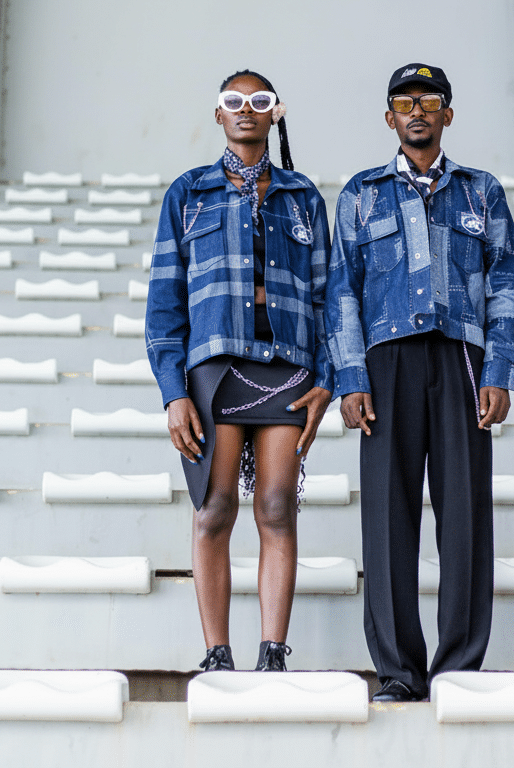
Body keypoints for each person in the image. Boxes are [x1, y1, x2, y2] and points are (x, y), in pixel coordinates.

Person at [326, 63, 514, 702]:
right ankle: (397, 671)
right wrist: (350, 376)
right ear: (389, 117)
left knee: (464, 514)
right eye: (405, 102)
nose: (418, 111)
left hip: (462, 360)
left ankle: (459, 667)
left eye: (430, 100)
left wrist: (500, 368)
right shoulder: (361, 193)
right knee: (387, 516)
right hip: (386, 364)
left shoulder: (481, 192)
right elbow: (342, 292)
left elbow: (507, 282)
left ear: (448, 113)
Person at [146, 70, 333, 673]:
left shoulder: (303, 196)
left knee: (277, 505)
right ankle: (217, 654)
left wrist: (327, 376)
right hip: (215, 370)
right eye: (234, 102)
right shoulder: (188, 193)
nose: (245, 110)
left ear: (275, 112)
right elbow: (164, 303)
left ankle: (273, 653)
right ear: (219, 115)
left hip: (286, 366)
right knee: (215, 507)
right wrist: (174, 392)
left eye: (258, 101)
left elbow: (329, 297)